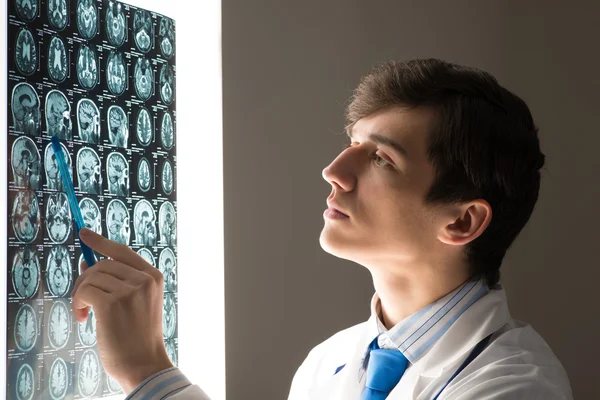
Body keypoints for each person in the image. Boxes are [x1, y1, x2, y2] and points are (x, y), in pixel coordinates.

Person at [71, 58, 573, 399]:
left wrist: (150, 375)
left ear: (461, 221)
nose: (334, 169)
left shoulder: (514, 386)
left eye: (380, 158)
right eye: (352, 143)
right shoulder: (328, 361)